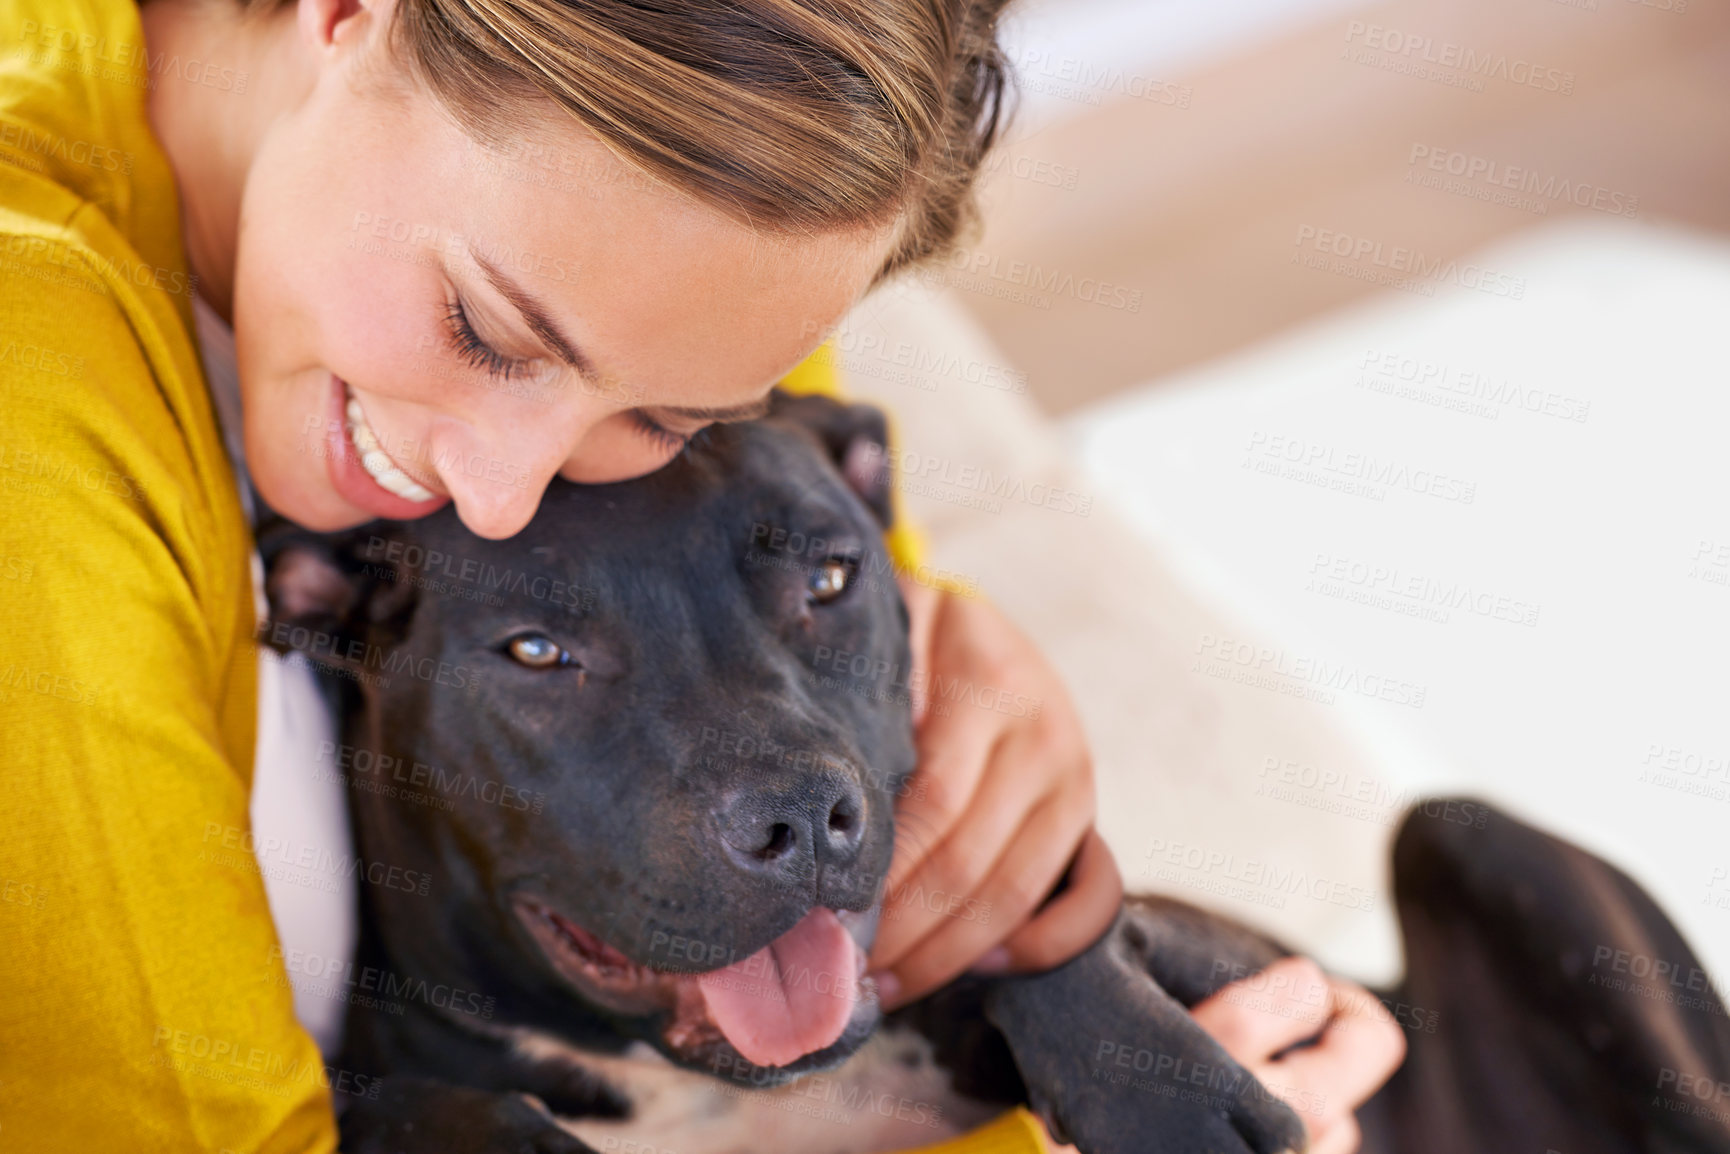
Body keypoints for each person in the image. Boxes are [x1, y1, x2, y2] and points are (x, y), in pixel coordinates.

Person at [0, 0, 1402, 1149]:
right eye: (484, 327)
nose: (498, 484)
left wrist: (973, 735)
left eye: (664, 417)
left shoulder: (700, 194)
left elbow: (848, 690)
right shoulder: (27, 393)